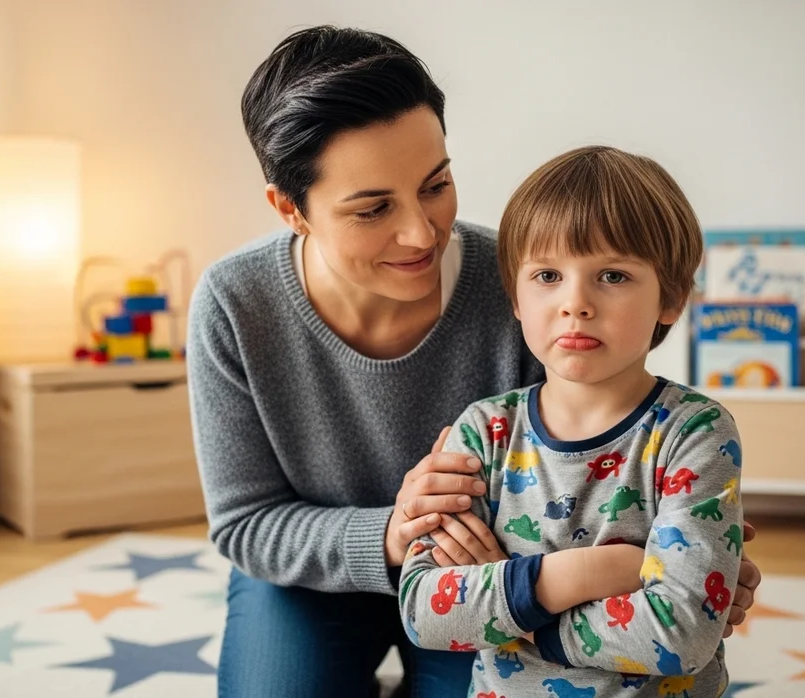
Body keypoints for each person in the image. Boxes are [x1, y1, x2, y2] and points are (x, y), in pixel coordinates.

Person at [186, 25, 762, 697]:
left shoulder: (526, 282)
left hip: (492, 574)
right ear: (291, 209)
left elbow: (606, 497)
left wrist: (697, 566)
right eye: (373, 208)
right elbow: (246, 523)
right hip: (317, 582)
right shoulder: (235, 302)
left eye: (436, 185)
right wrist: (397, 536)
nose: (420, 232)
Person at [398, 145, 743, 697]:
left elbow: (684, 634)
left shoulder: (695, 433)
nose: (576, 302)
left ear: (672, 298)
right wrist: (579, 578)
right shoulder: (483, 432)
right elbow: (425, 613)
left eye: (612, 275)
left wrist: (518, 617)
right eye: (548, 275)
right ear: (515, 295)